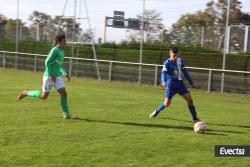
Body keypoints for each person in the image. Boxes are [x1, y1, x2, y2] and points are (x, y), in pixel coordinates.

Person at [17, 34, 74, 119]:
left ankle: (66, 115)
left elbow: (59, 65)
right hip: (49, 76)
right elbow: (47, 62)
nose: (66, 43)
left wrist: (65, 74)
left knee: (64, 94)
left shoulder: (62, 52)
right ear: (58, 42)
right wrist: (51, 75)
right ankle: (26, 93)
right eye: (64, 41)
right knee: (44, 97)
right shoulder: (54, 50)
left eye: (65, 41)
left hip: (57, 76)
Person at [150, 46, 200, 122]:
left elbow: (185, 72)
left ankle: (195, 118)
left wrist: (192, 83)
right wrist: (163, 82)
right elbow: (163, 73)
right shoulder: (167, 63)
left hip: (180, 84)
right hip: (171, 85)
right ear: (170, 53)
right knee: (166, 104)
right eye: (173, 55)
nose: (175, 57)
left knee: (190, 100)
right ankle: (156, 111)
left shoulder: (180, 61)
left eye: (176, 55)